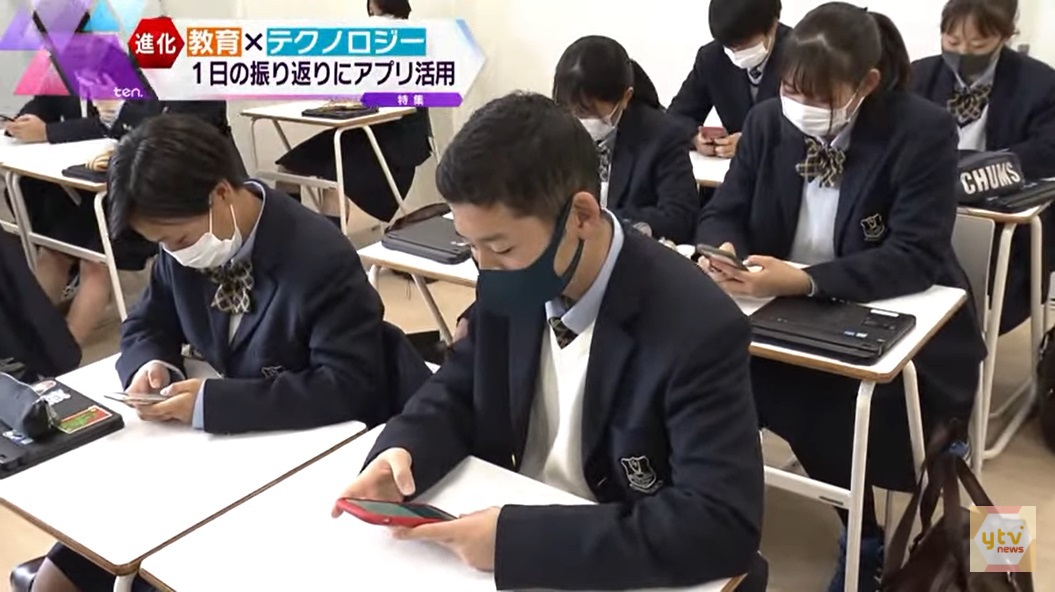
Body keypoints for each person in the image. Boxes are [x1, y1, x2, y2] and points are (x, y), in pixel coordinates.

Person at [334, 92, 767, 591]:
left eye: (500, 247)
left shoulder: (696, 326)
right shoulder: (511, 278)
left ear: (581, 215)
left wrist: (516, 542)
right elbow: (459, 386)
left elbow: (718, 523)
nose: (485, 268)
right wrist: (404, 450)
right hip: (505, 525)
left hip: (611, 561)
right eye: (471, 246)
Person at [30, 114, 417, 592]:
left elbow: (348, 387)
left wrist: (213, 403)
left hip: (298, 461)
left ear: (219, 194)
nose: (173, 253)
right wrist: (152, 364)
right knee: (57, 577)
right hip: (211, 458)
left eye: (178, 240)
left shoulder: (320, 258)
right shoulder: (188, 243)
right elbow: (147, 322)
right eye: (161, 244)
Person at [694, 4, 986, 591]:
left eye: (817, 95)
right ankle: (710, 512)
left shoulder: (922, 131)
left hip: (898, 318)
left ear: (866, 83)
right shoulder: (769, 122)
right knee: (699, 370)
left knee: (823, 397)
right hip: (779, 308)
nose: (797, 103)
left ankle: (864, 533)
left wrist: (804, 280)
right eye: (788, 87)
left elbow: (914, 256)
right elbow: (724, 209)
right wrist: (722, 247)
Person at [912, 0, 1055, 334]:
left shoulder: (1040, 84)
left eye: (978, 45)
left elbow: (1047, 150)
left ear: (1006, 36)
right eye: (952, 41)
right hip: (927, 201)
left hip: (998, 209)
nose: (963, 52)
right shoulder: (918, 76)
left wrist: (980, 167)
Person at [276, 0, 432, 227]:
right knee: (288, 169)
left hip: (397, 143)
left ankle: (328, 246)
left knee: (334, 182)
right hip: (360, 131)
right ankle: (290, 237)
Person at [553, 36, 699, 244]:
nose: (581, 120)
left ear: (625, 98)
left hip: (628, 247)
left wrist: (601, 220)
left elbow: (679, 217)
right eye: (573, 111)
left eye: (589, 112)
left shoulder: (662, 135)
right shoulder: (556, 128)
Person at [669, 0, 790, 159]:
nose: (736, 52)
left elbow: (811, 130)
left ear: (773, 26)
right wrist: (695, 137)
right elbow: (676, 117)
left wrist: (752, 143)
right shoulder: (712, 57)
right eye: (729, 46)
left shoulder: (802, 56)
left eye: (743, 44)